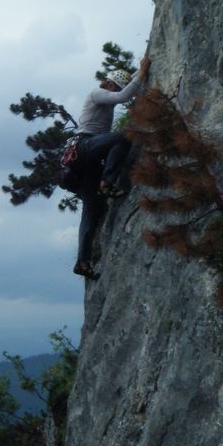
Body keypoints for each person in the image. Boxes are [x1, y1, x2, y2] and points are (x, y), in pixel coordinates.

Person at [73, 53, 151, 279]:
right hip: (85, 146)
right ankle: (107, 181)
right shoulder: (96, 93)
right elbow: (123, 96)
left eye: (116, 86)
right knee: (124, 136)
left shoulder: (108, 92)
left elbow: (126, 86)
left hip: (85, 163)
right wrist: (142, 74)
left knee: (92, 212)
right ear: (107, 83)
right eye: (114, 86)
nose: (114, 89)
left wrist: (141, 68)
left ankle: (83, 262)